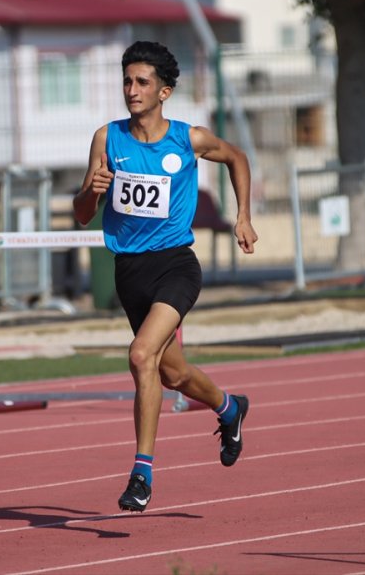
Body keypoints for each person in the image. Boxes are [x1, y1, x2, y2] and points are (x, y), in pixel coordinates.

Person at [73, 41, 259, 512]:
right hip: (129, 271)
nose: (132, 90)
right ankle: (228, 407)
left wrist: (243, 217)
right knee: (171, 372)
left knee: (140, 357)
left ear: (165, 91)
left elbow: (237, 157)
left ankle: (142, 473)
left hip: (176, 264)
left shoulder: (188, 138)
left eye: (142, 82)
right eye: (127, 81)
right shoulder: (106, 138)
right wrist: (89, 194)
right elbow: (80, 215)